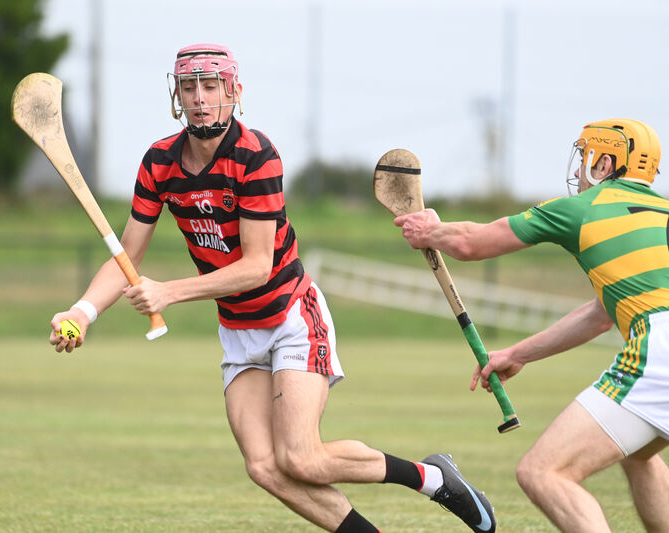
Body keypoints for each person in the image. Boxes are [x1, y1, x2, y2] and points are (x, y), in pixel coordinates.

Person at [48, 43, 496, 533]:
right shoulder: (159, 161)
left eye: (211, 85)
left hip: (291, 316)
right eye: (189, 86)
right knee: (263, 466)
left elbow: (258, 266)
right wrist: (82, 313)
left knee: (301, 458)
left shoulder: (255, 154)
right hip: (239, 330)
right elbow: (127, 256)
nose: (199, 97)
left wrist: (170, 292)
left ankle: (434, 478)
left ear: (233, 92)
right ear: (177, 95)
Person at [394, 118, 669, 533]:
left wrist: (432, 231)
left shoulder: (583, 207)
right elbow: (599, 314)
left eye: (586, 157)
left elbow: (473, 242)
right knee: (639, 454)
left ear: (606, 162)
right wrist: (518, 354)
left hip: (665, 348)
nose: (579, 170)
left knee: (543, 473)